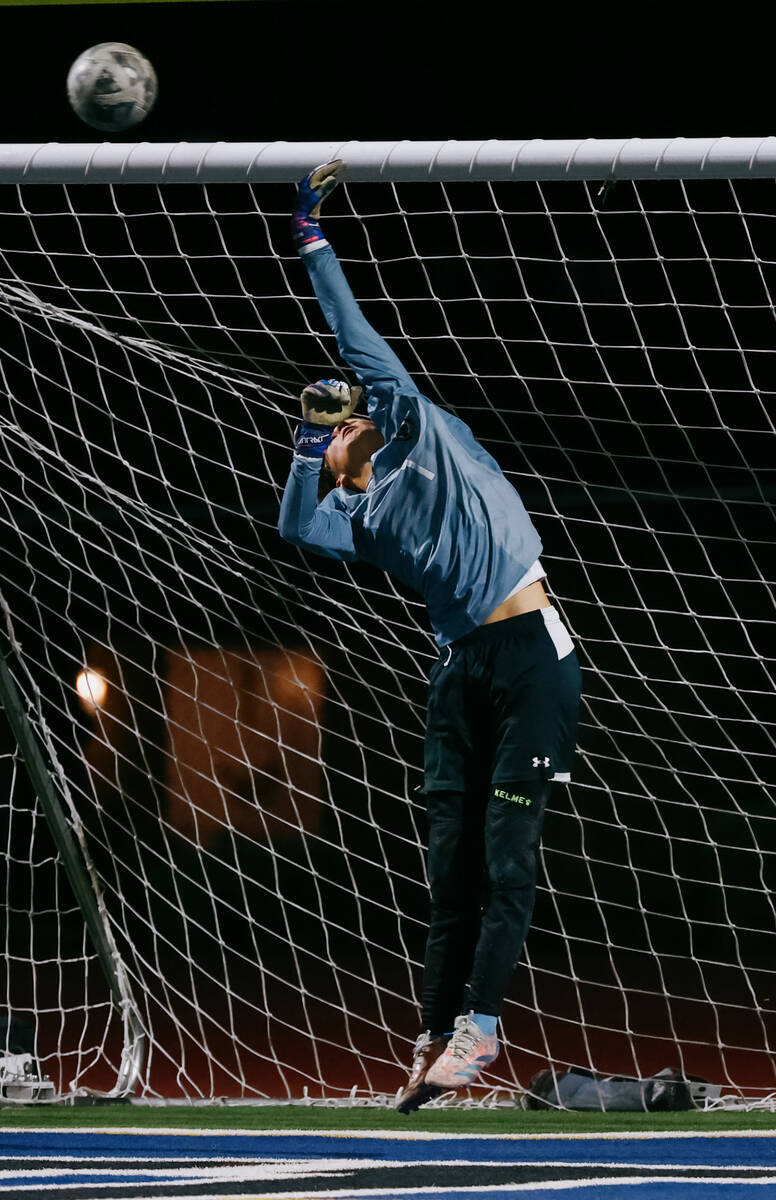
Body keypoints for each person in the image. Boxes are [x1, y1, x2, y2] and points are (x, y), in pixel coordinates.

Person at [278, 161, 581, 1113]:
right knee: (446, 867)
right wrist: (301, 449)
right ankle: (432, 1035)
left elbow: (357, 339)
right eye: (337, 423)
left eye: (352, 409)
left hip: (531, 653)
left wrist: (312, 237)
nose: (349, 415)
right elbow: (300, 529)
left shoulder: (423, 433)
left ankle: (481, 1030)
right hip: (459, 671)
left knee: (503, 856)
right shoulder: (359, 520)